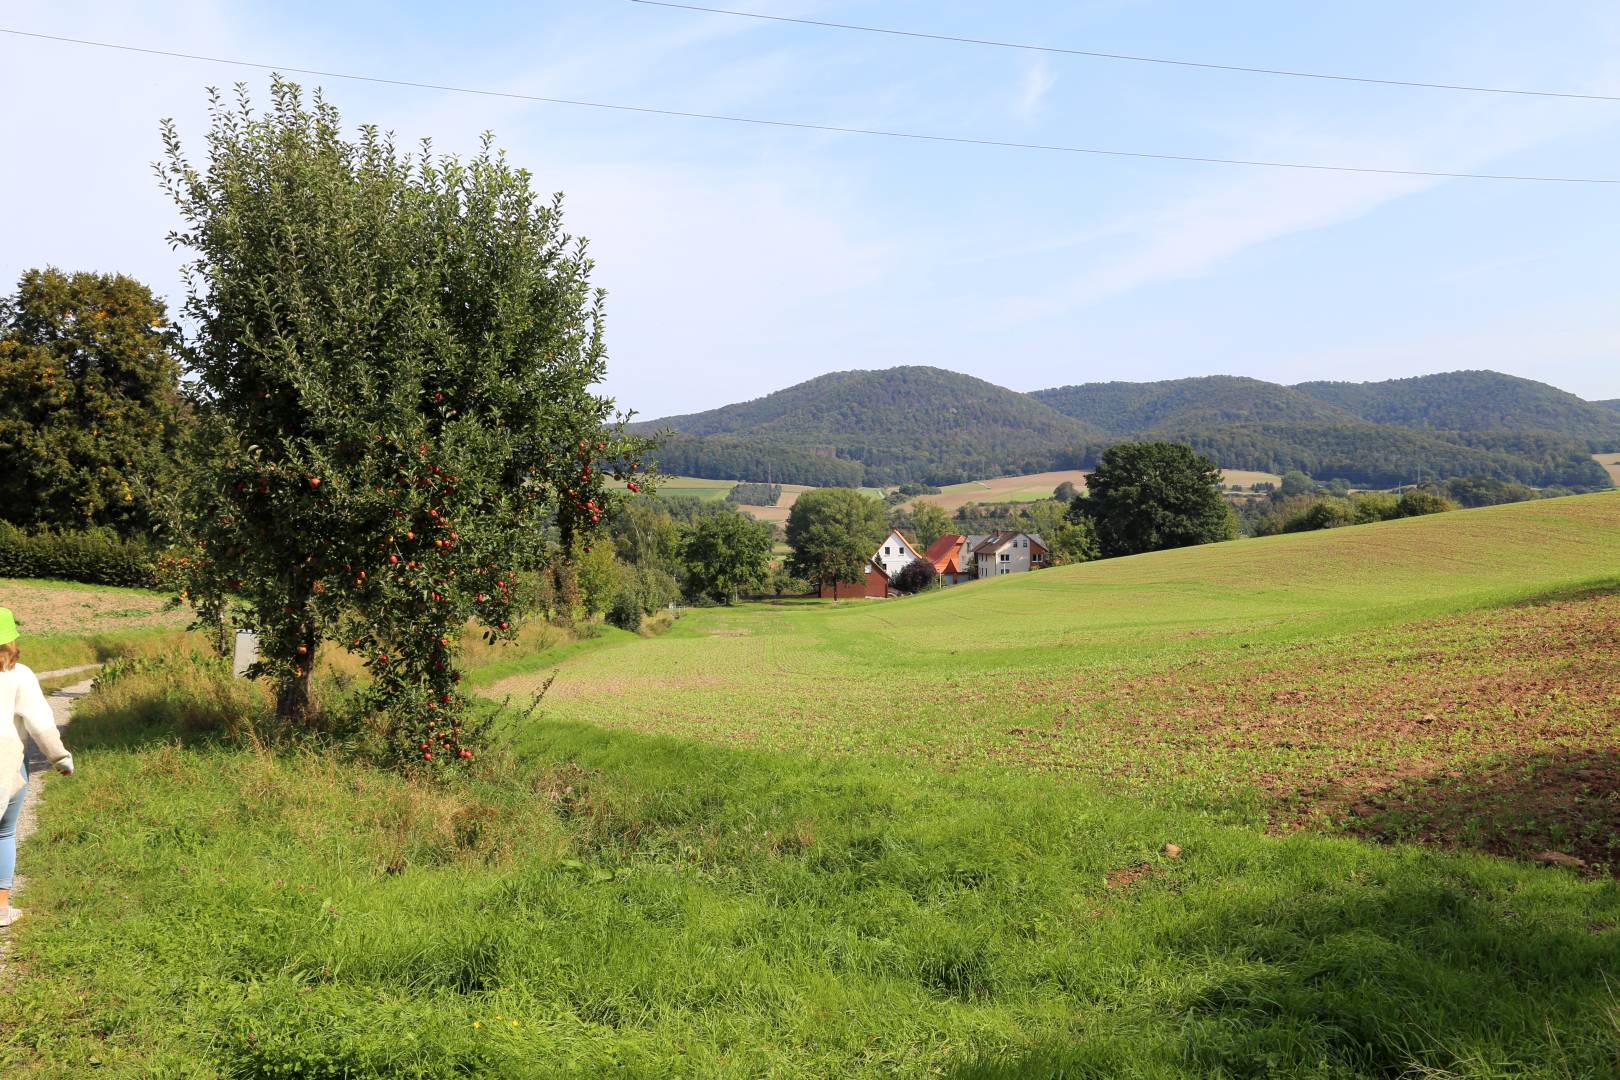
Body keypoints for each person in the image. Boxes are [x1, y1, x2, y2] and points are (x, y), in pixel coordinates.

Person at [0, 607, 74, 927]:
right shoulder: (20, 676)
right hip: (7, 767)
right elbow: (41, 726)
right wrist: (60, 758)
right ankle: (1, 908)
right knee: (4, 834)